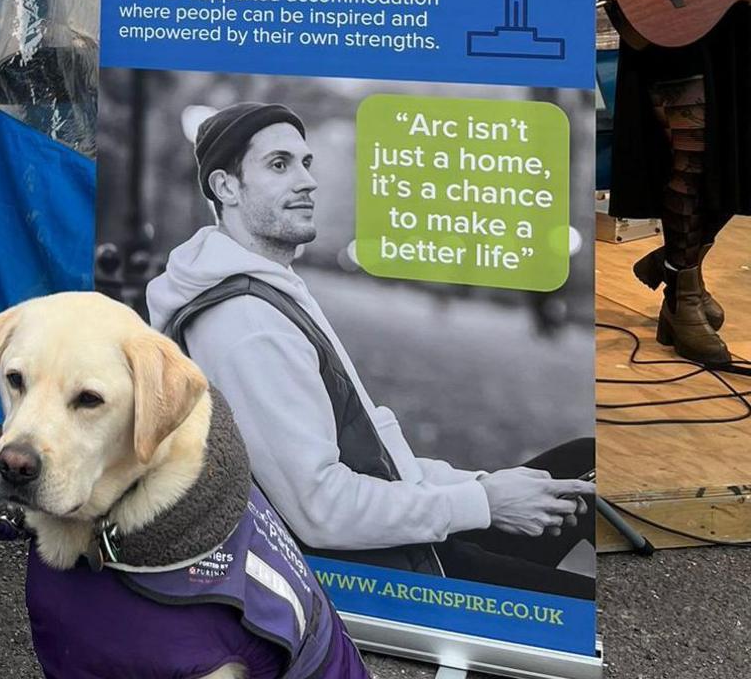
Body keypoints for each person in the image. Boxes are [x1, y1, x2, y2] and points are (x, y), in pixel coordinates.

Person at [145, 103, 597, 599]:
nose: (307, 181)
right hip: (377, 572)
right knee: (577, 603)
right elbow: (322, 512)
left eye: (306, 162)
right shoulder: (245, 324)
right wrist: (485, 503)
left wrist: (485, 483)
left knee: (583, 463)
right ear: (226, 187)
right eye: (279, 164)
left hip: (400, 528)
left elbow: (376, 457)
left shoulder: (270, 289)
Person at [603, 0, 751, 365]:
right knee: (686, 162)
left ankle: (670, 261)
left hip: (730, 30)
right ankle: (684, 298)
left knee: (729, 161)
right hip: (675, 21)